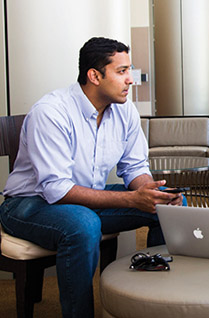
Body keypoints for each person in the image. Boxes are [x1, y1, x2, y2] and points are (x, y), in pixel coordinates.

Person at [0, 37, 186, 318]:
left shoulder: (125, 111)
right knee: (83, 224)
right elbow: (56, 189)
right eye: (122, 71)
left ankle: (152, 303)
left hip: (84, 197)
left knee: (169, 207)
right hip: (28, 205)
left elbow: (134, 167)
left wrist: (150, 193)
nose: (130, 80)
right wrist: (132, 200)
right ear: (94, 76)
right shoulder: (51, 112)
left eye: (129, 70)